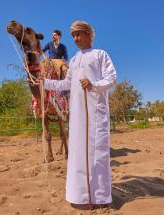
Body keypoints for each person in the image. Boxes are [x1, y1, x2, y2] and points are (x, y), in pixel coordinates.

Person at [40, 21, 117, 206]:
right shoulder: (73, 60)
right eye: (73, 35)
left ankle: (100, 197)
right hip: (77, 116)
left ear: (89, 35)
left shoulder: (100, 55)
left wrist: (93, 85)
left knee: (97, 153)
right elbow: (66, 84)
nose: (76, 38)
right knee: (78, 154)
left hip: (96, 113)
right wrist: (46, 83)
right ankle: (79, 196)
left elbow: (111, 78)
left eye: (79, 34)